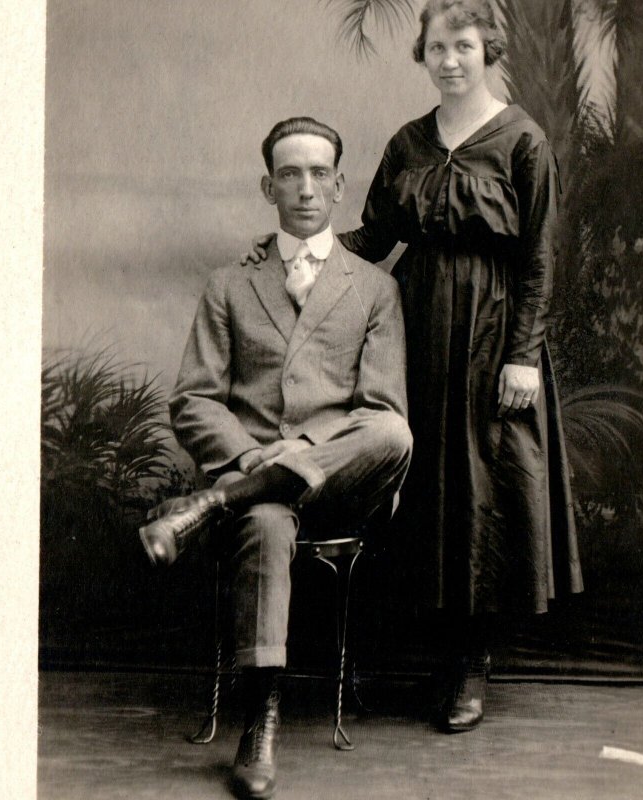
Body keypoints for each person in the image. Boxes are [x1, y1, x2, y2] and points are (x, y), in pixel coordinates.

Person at [244, 0, 583, 735]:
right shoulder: (408, 143)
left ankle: (471, 665)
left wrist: (523, 356)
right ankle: (421, 656)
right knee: (422, 484)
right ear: (423, 56)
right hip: (415, 328)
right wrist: (294, 255)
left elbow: (541, 261)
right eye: (437, 47)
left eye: (464, 45)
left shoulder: (523, 140)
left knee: (484, 490)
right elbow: (375, 236)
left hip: (494, 335)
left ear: (488, 49)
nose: (451, 60)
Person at [138, 117, 412, 800]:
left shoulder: (375, 288)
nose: (306, 188)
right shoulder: (229, 284)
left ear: (341, 184)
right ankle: (260, 720)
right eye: (290, 173)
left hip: (344, 479)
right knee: (263, 517)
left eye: (320, 173)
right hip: (254, 479)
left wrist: (302, 450)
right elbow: (194, 402)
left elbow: (380, 410)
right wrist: (252, 457)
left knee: (396, 436)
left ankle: (206, 506)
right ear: (268, 186)